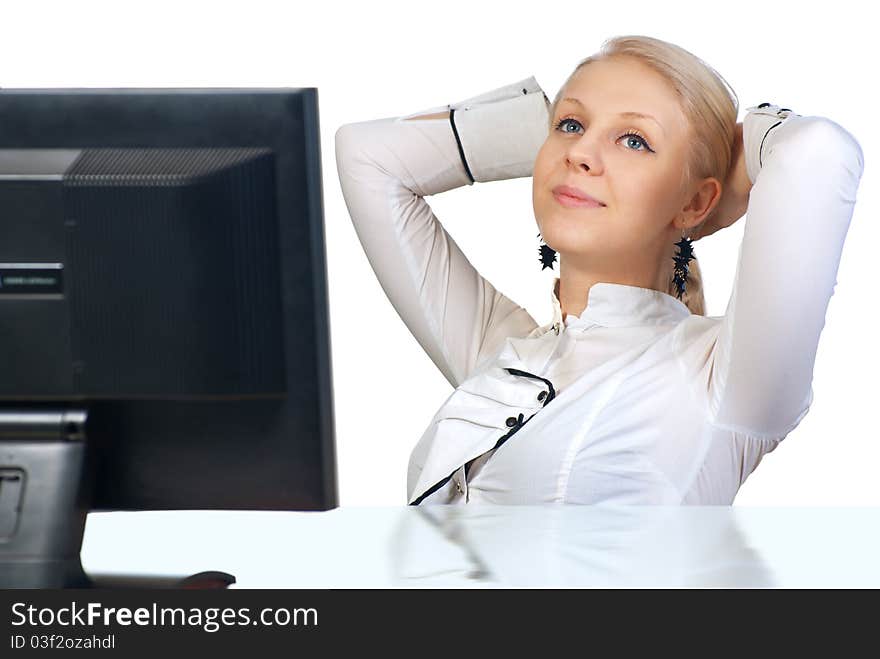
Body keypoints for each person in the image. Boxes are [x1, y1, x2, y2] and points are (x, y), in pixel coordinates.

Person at [334, 35, 864, 506]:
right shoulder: (504, 356)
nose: (581, 152)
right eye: (570, 124)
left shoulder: (720, 379)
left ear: (697, 203)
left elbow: (819, 152)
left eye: (635, 141)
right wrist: (550, 141)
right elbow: (367, 156)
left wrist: (731, 157)